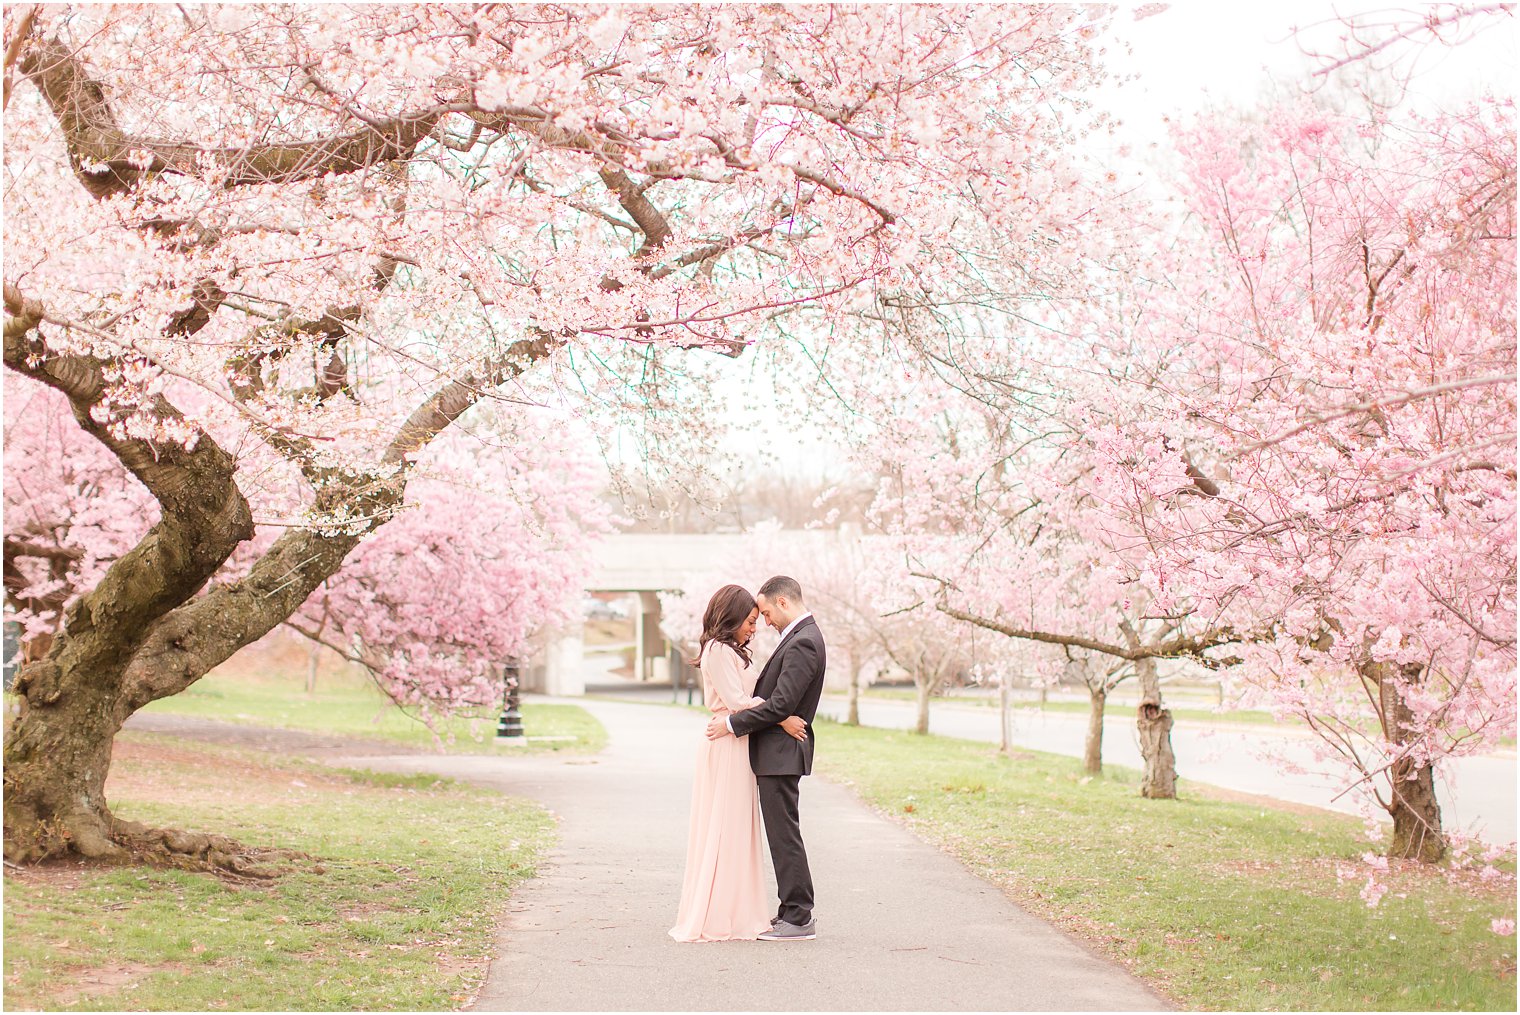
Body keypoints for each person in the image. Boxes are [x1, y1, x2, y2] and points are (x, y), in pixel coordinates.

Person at [670, 584, 807, 943]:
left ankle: (738, 910)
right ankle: (717, 913)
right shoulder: (716, 649)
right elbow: (735, 700)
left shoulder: (735, 651)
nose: (755, 627)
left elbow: (748, 697)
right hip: (726, 743)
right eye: (749, 620)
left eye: (757, 619)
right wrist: (781, 718)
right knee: (724, 827)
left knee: (738, 830)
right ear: (730, 618)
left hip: (740, 743)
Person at [706, 575, 827, 942]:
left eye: (768, 613)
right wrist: (781, 715)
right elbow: (779, 705)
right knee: (781, 834)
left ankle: (799, 916)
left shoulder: (804, 642)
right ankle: (790, 912)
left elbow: (782, 703)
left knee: (784, 835)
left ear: (784, 603)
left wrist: (730, 722)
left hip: (781, 753)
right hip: (777, 750)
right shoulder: (799, 638)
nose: (766, 622)